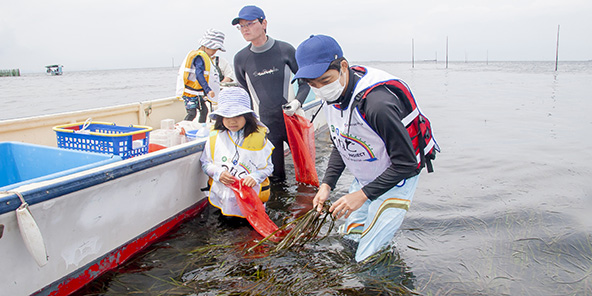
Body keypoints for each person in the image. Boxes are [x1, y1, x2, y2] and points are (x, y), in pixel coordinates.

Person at [292, 35, 439, 262]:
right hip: (366, 176)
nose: (320, 90)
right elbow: (341, 144)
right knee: (349, 238)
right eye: (312, 85)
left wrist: (362, 195)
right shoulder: (332, 97)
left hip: (398, 179)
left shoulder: (377, 105)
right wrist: (327, 184)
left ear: (343, 66)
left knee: (368, 257)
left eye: (324, 80)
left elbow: (407, 164)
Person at [231, 5, 311, 182]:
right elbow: (244, 95)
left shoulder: (285, 50)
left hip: (292, 121)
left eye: (249, 24)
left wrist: (296, 103)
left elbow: (305, 83)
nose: (245, 30)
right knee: (275, 177)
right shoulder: (240, 58)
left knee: (306, 173)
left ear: (264, 23)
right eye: (241, 26)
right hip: (265, 126)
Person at [200, 87, 274, 218]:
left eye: (238, 116)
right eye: (226, 116)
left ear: (247, 116)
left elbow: (268, 167)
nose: (232, 121)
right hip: (224, 200)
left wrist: (255, 177)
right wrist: (218, 173)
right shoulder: (215, 137)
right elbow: (205, 163)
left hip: (252, 200)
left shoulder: (259, 138)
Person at [176, 29, 225, 123]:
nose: (215, 52)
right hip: (191, 93)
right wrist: (208, 89)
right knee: (192, 113)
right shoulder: (199, 57)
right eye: (214, 49)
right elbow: (199, 75)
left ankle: (200, 127)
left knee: (204, 111)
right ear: (206, 46)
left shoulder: (203, 56)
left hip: (197, 92)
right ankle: (182, 127)